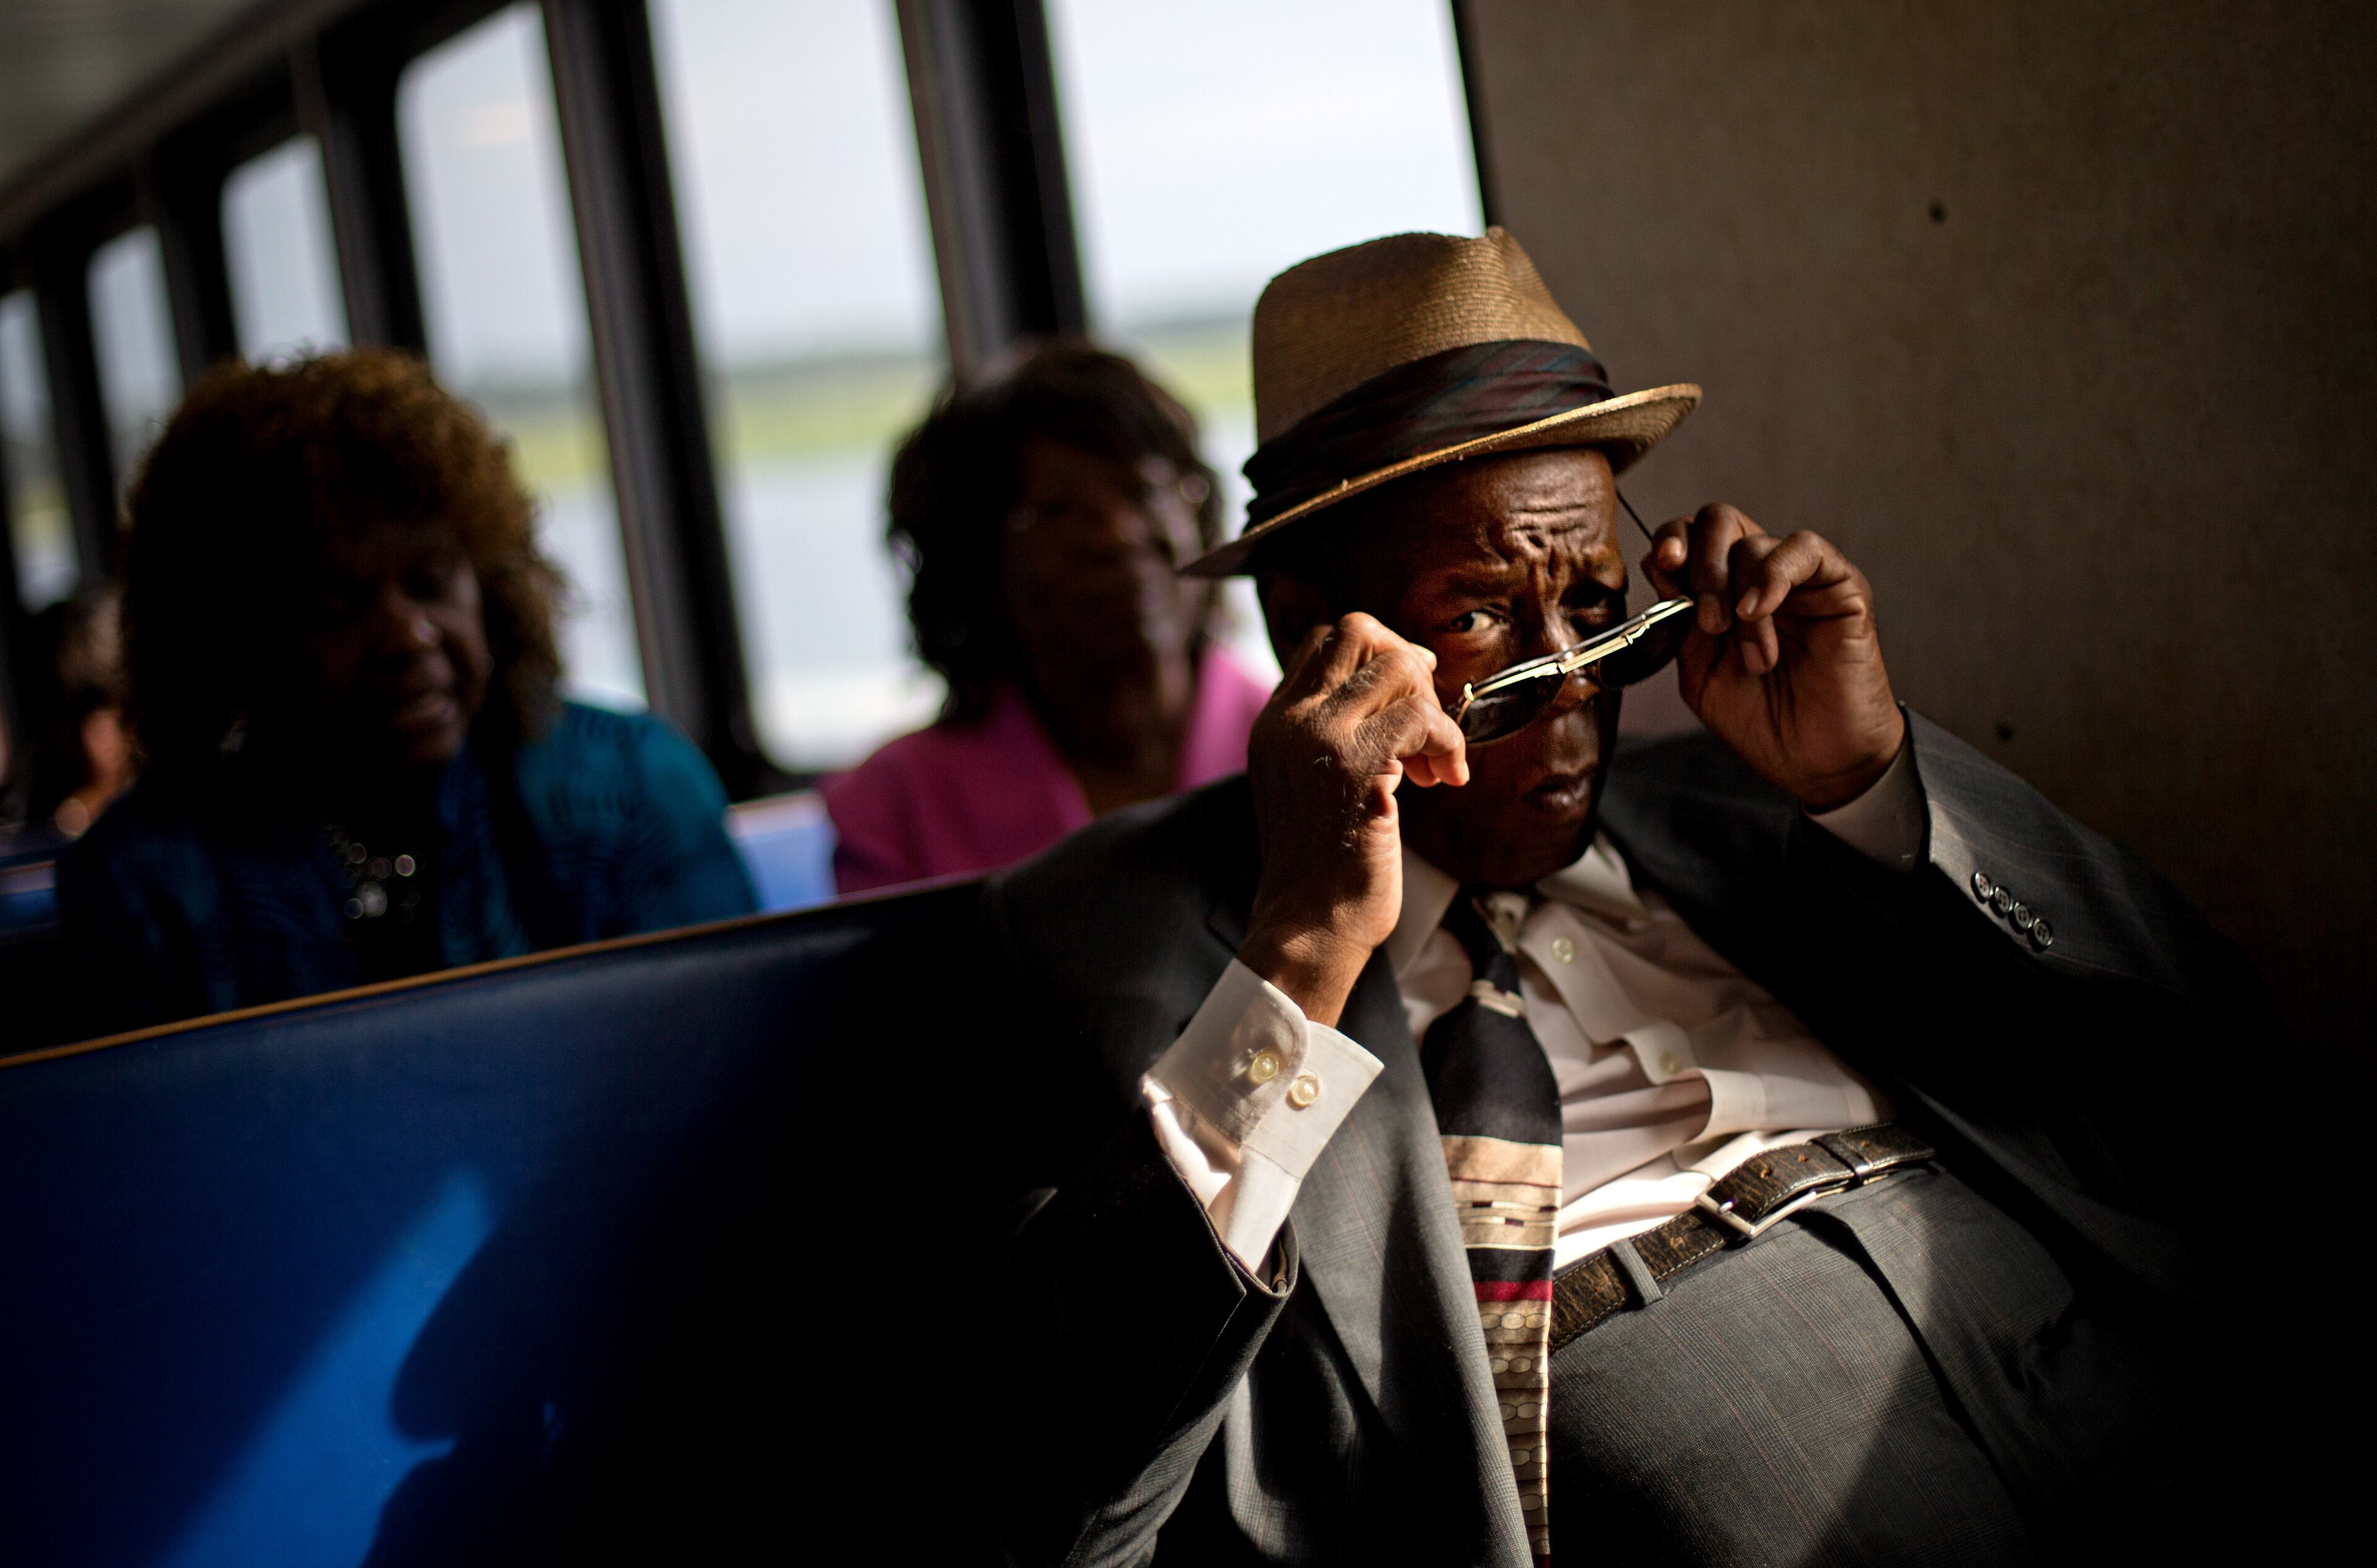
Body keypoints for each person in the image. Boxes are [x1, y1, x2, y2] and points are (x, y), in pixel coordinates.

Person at [954, 231, 2264, 1564]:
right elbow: (1055, 1497)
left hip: (2112, 1367)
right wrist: (1298, 957)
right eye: (1481, 618)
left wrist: (1873, 782)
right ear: (1309, 634)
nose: (1578, 683)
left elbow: (2221, 1063)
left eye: (1599, 606)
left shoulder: (1761, 790)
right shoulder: (1102, 931)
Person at [58, 351, 755, 1033]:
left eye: (431, 583)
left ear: (489, 581)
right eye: (338, 602)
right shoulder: (147, 881)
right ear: (239, 635)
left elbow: (735, 1068)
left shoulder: (630, 787)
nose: (407, 638)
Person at [821, 342, 1271, 893]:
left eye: (1147, 491)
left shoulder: (1317, 745)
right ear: (972, 561)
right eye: (1058, 511)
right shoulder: (894, 806)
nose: (1117, 536)